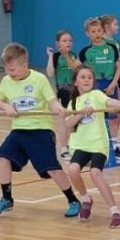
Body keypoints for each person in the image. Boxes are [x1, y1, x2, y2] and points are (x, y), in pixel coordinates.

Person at [0, 42, 81, 216]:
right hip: (18, 131)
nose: (9, 73)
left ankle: (73, 200)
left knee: (52, 168)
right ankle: (7, 198)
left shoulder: (39, 79)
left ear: (25, 66)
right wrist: (6, 106)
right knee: (2, 158)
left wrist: (59, 109)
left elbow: (52, 101)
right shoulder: (6, 81)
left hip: (40, 130)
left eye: (13, 70)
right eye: (6, 70)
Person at [63, 65, 120, 228]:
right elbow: (68, 124)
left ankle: (116, 212)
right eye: (83, 77)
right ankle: (86, 198)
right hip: (80, 144)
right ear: (75, 82)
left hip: (98, 144)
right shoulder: (73, 103)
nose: (87, 80)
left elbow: (110, 101)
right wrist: (81, 113)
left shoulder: (96, 95)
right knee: (72, 170)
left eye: (90, 77)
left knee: (95, 173)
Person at [77, 16, 120, 162]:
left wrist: (114, 84)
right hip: (95, 85)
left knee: (112, 115)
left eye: (99, 30)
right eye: (93, 31)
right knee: (95, 117)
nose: (97, 34)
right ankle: (91, 148)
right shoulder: (86, 51)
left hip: (109, 84)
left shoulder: (111, 47)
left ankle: (112, 146)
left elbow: (118, 67)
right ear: (88, 34)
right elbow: (80, 70)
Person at [45, 30, 79, 161]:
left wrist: (66, 56)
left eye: (70, 40)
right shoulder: (55, 57)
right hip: (64, 92)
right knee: (66, 121)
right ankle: (64, 148)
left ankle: (73, 145)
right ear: (58, 43)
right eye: (64, 41)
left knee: (75, 120)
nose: (68, 43)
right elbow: (50, 73)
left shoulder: (73, 56)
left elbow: (75, 68)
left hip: (75, 92)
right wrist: (50, 56)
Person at [99, 13, 120, 160]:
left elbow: (119, 64)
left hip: (117, 81)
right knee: (108, 113)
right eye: (115, 24)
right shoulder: (101, 43)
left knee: (119, 111)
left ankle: (114, 140)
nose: (118, 27)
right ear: (106, 26)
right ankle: (109, 143)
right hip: (105, 82)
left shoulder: (115, 43)